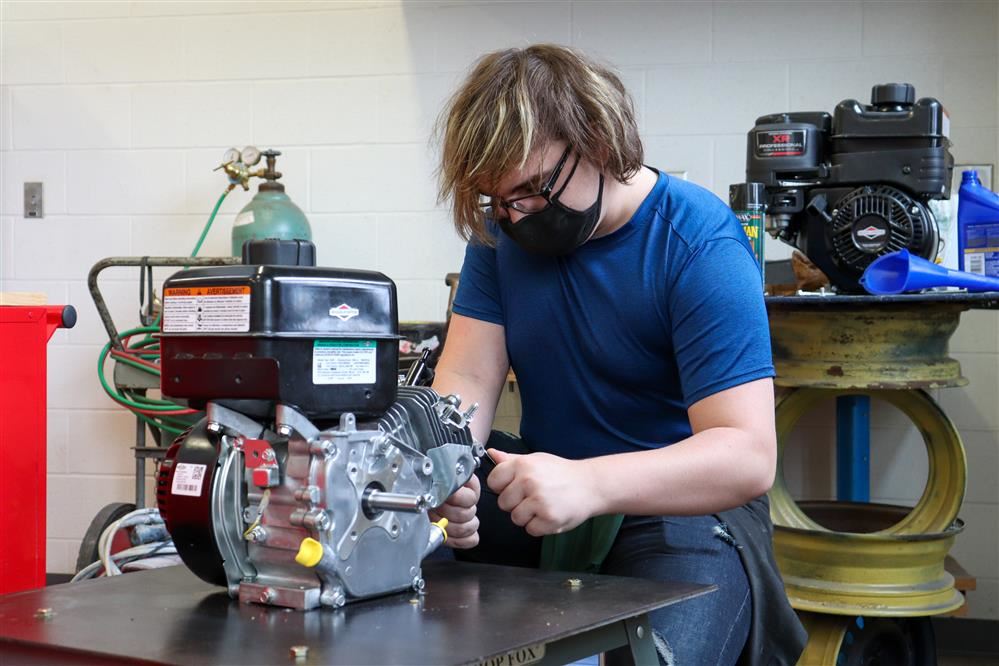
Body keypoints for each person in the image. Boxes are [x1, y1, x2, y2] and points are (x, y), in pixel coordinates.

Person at [429, 44, 806, 666]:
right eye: (496, 200)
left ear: (599, 142)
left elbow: (746, 455)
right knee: (387, 582)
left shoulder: (698, 241)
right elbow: (468, 375)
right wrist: (448, 477)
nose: (515, 217)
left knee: (649, 654)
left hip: (674, 507)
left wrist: (591, 483)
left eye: (531, 191)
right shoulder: (500, 234)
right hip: (550, 486)